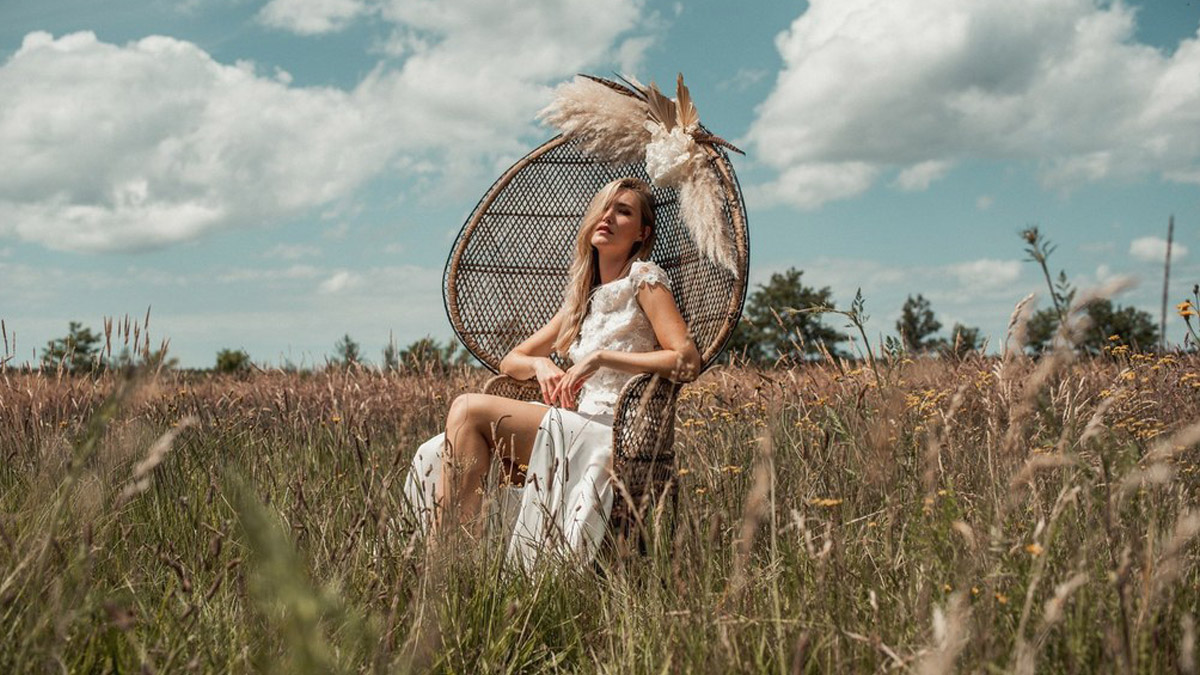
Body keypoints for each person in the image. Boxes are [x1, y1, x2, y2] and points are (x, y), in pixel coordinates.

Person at [404, 176, 701, 568]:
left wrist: (603, 358)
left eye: (623, 211)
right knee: (435, 449)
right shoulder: (583, 300)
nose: (607, 217)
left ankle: (443, 567)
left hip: (614, 431)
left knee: (468, 409)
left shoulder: (643, 279)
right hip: (575, 424)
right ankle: (467, 564)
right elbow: (513, 360)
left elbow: (686, 360)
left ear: (642, 233)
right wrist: (541, 363)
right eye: (604, 207)